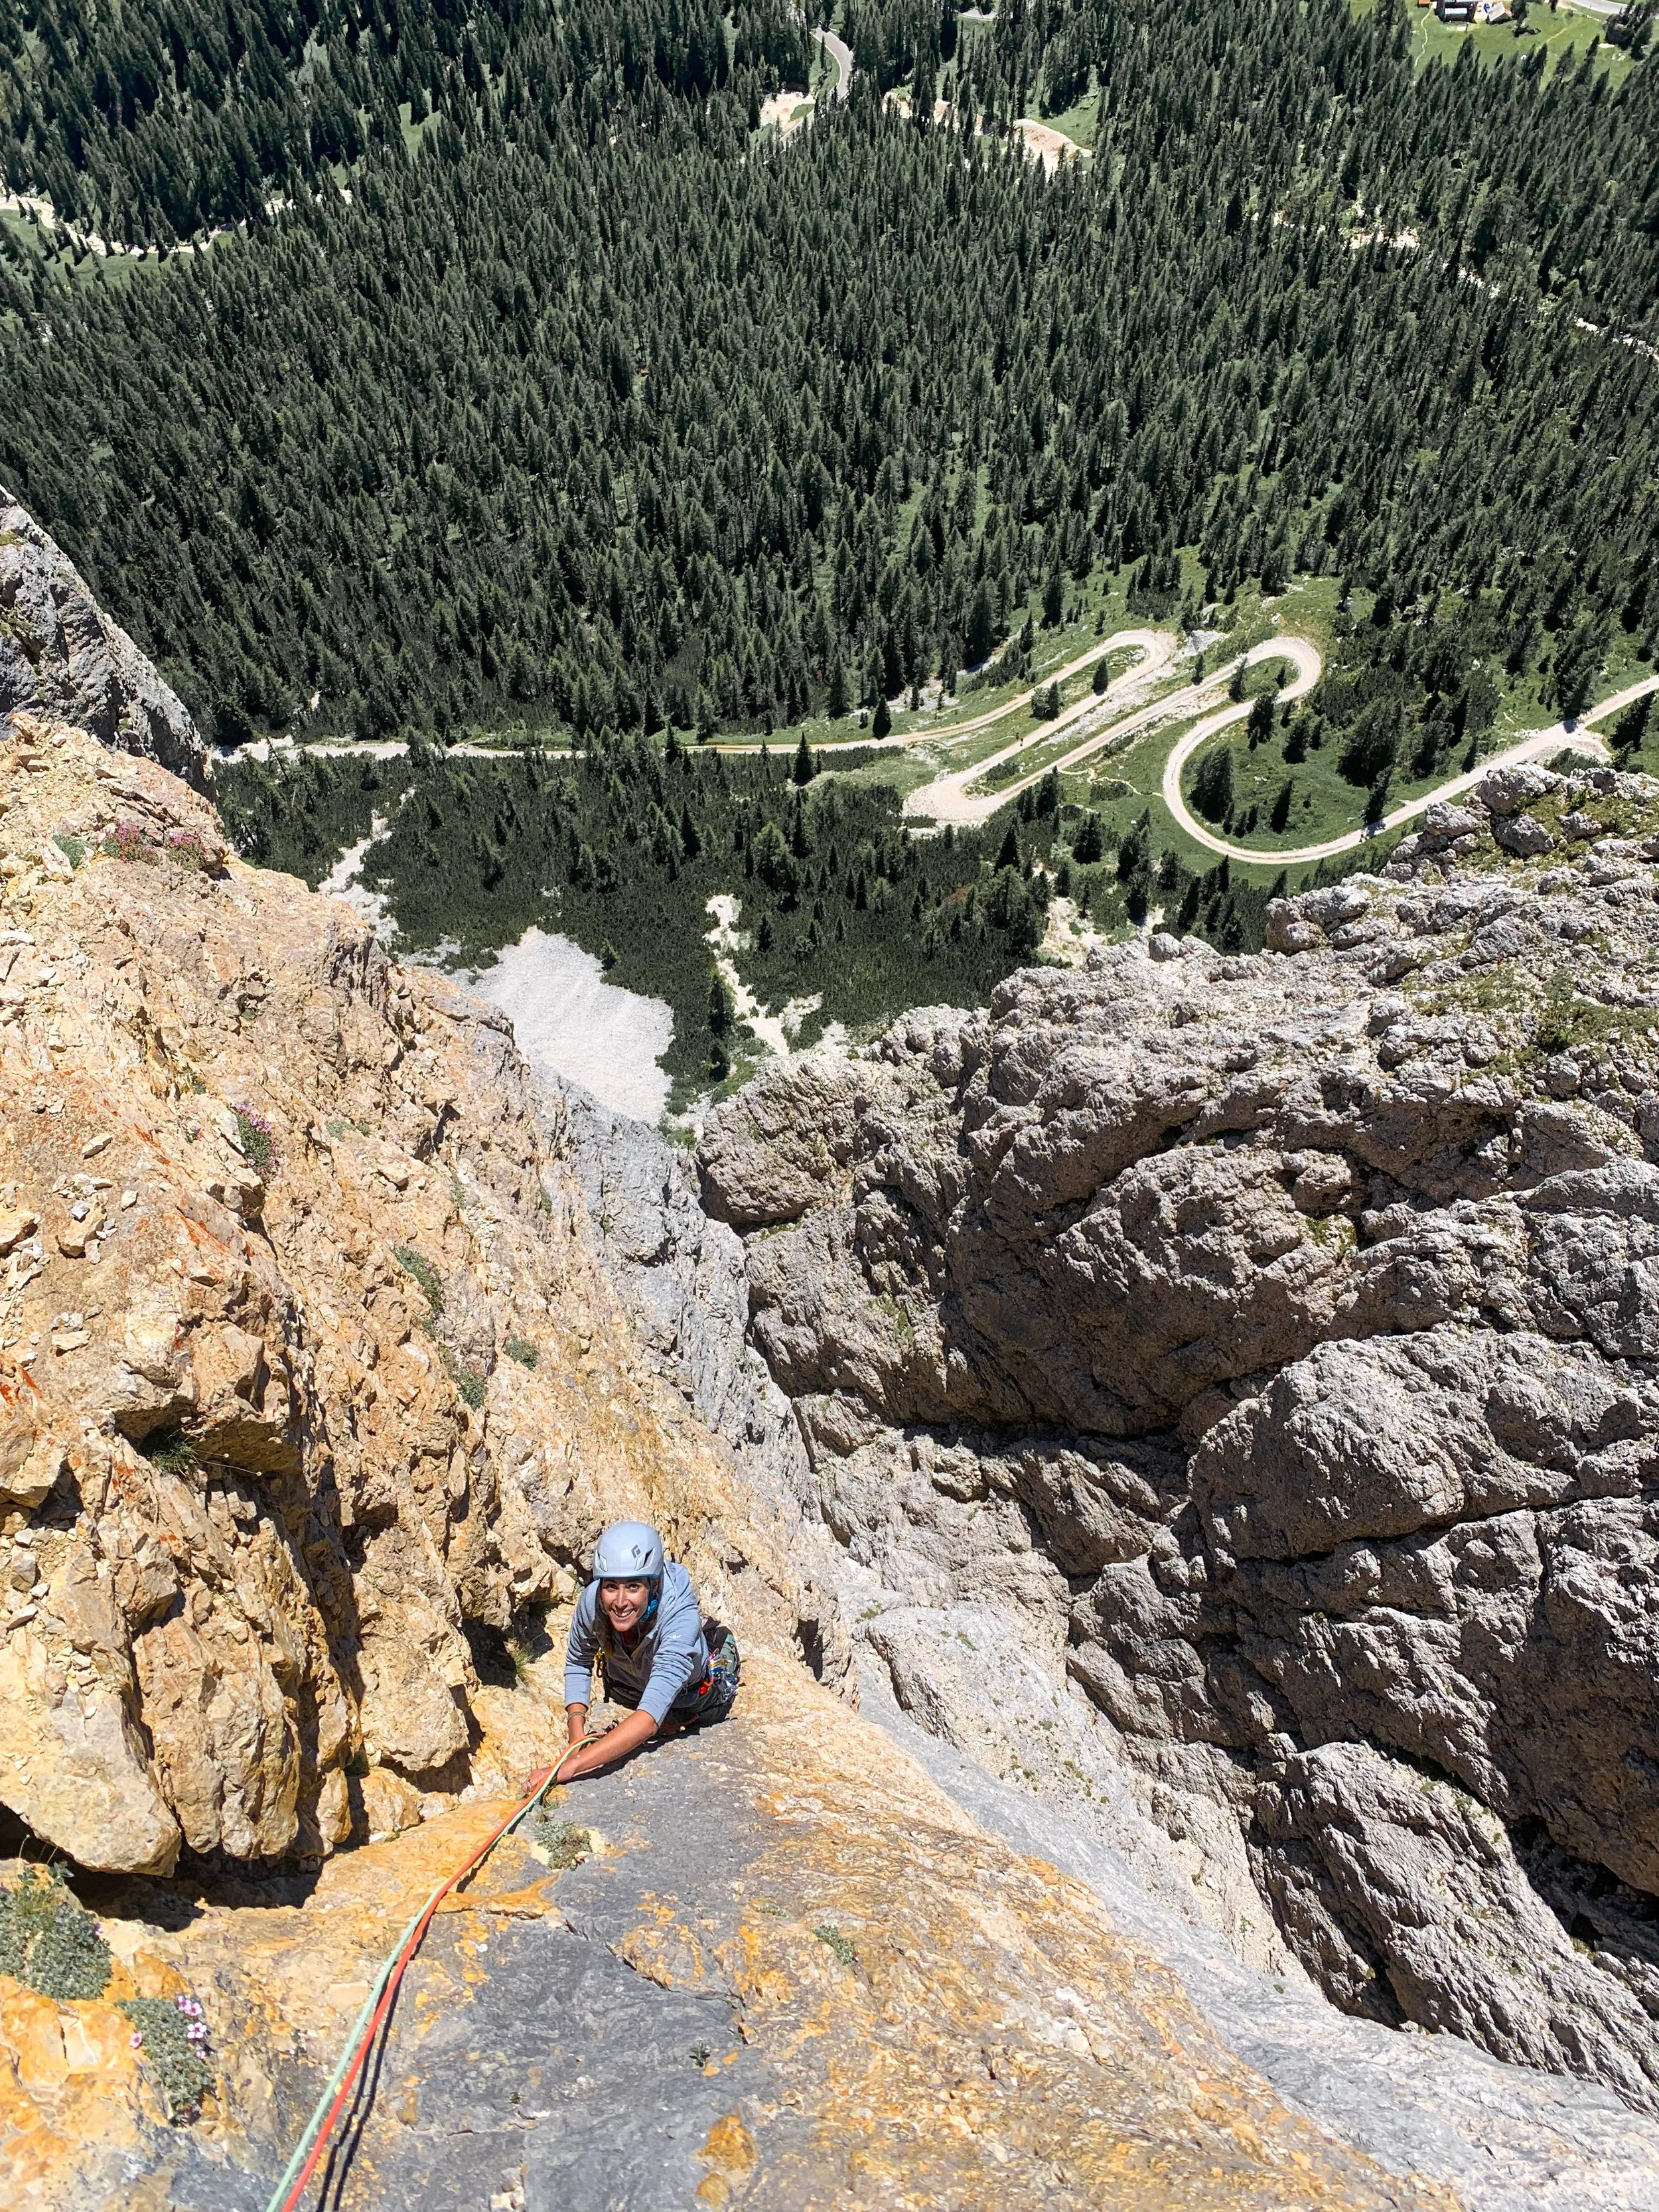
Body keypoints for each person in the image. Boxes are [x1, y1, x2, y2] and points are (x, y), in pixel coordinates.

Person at [558, 1520, 740, 1779]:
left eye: (633, 1586)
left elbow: (648, 1720)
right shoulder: (592, 1602)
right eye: (611, 1586)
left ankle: (711, 1642)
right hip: (629, 1688)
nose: (620, 1602)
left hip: (690, 1699)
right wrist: (576, 1736)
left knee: (720, 1647)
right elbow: (578, 1661)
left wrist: (570, 1768)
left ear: (653, 1586)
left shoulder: (681, 1619)